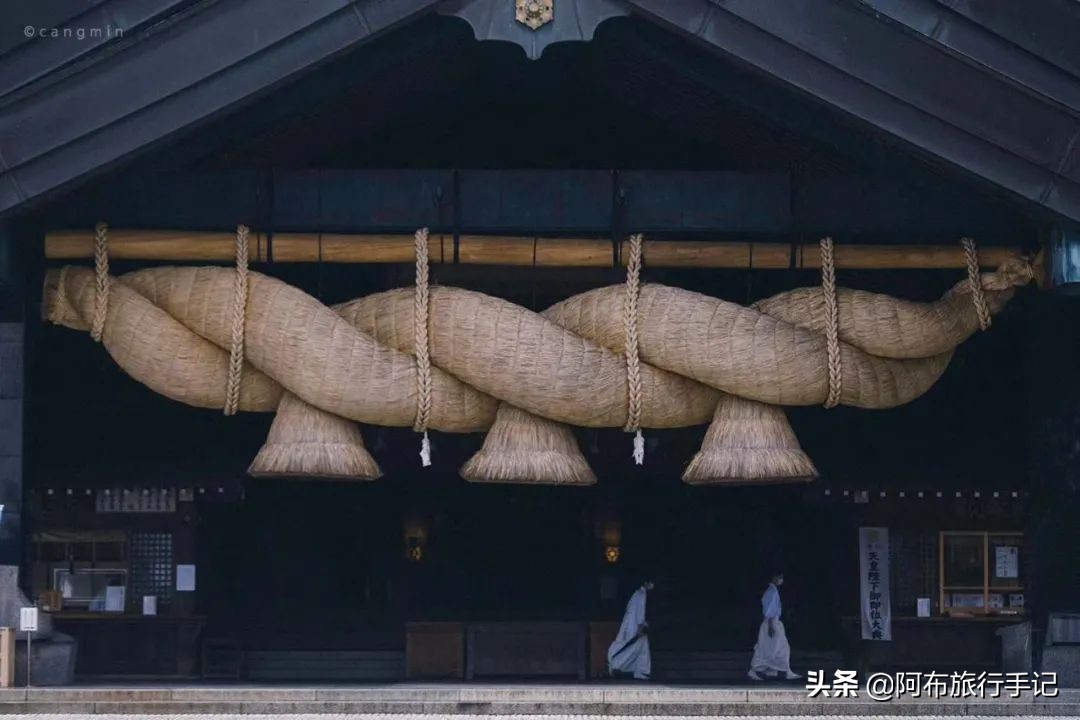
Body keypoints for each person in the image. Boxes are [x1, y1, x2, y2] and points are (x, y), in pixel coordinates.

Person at [748, 572, 801, 681]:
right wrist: (771, 625)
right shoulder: (772, 592)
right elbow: (770, 610)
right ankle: (755, 670)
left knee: (778, 648)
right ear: (774, 577)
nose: (781, 580)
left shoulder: (771, 591)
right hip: (771, 623)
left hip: (772, 623)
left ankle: (784, 670)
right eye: (780, 577)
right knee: (771, 649)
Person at [607, 578, 654, 680]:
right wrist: (640, 626)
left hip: (632, 626)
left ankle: (642, 671)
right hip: (634, 627)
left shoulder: (637, 594)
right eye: (651, 583)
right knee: (634, 648)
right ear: (646, 583)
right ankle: (617, 665)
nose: (652, 586)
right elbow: (640, 613)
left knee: (642, 647)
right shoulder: (641, 594)